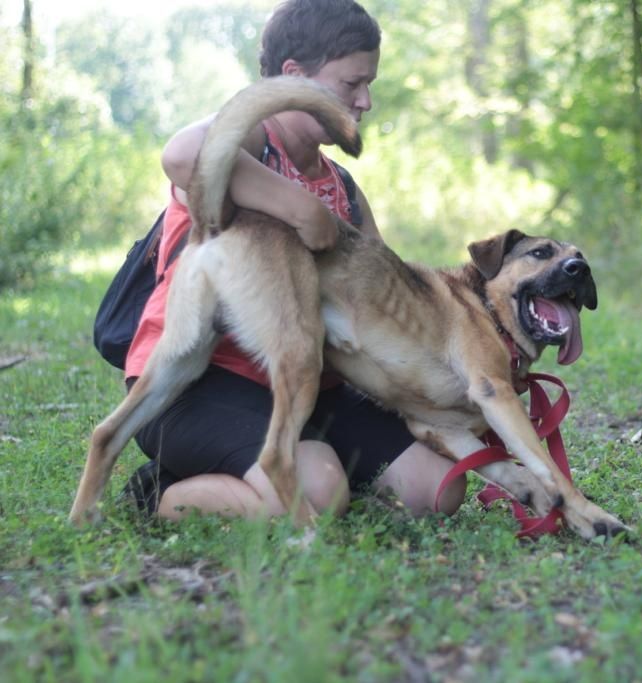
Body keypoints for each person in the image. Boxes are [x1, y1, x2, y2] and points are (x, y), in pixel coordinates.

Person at [122, 0, 467, 521]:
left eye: (368, 83)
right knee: (320, 496)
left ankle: (294, 464)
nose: (366, 100)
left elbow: (384, 304)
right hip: (202, 387)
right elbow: (183, 154)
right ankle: (165, 491)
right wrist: (298, 206)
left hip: (306, 387)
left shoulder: (344, 187)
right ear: (293, 77)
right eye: (352, 84)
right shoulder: (251, 142)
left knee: (437, 490)